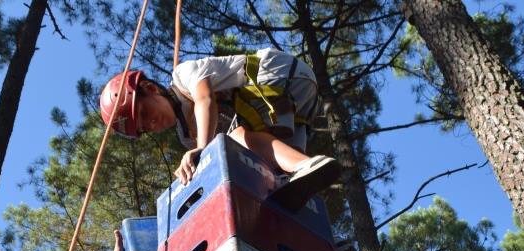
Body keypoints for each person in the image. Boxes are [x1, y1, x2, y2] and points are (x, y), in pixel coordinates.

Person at [99, 47, 342, 212]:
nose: (152, 124)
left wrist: (202, 148)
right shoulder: (187, 135)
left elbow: (205, 100)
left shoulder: (183, 75)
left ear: (151, 89)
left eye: (144, 114)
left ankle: (302, 165)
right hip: (299, 104)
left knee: (237, 138)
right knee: (285, 182)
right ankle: (317, 227)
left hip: (277, 75)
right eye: (145, 128)